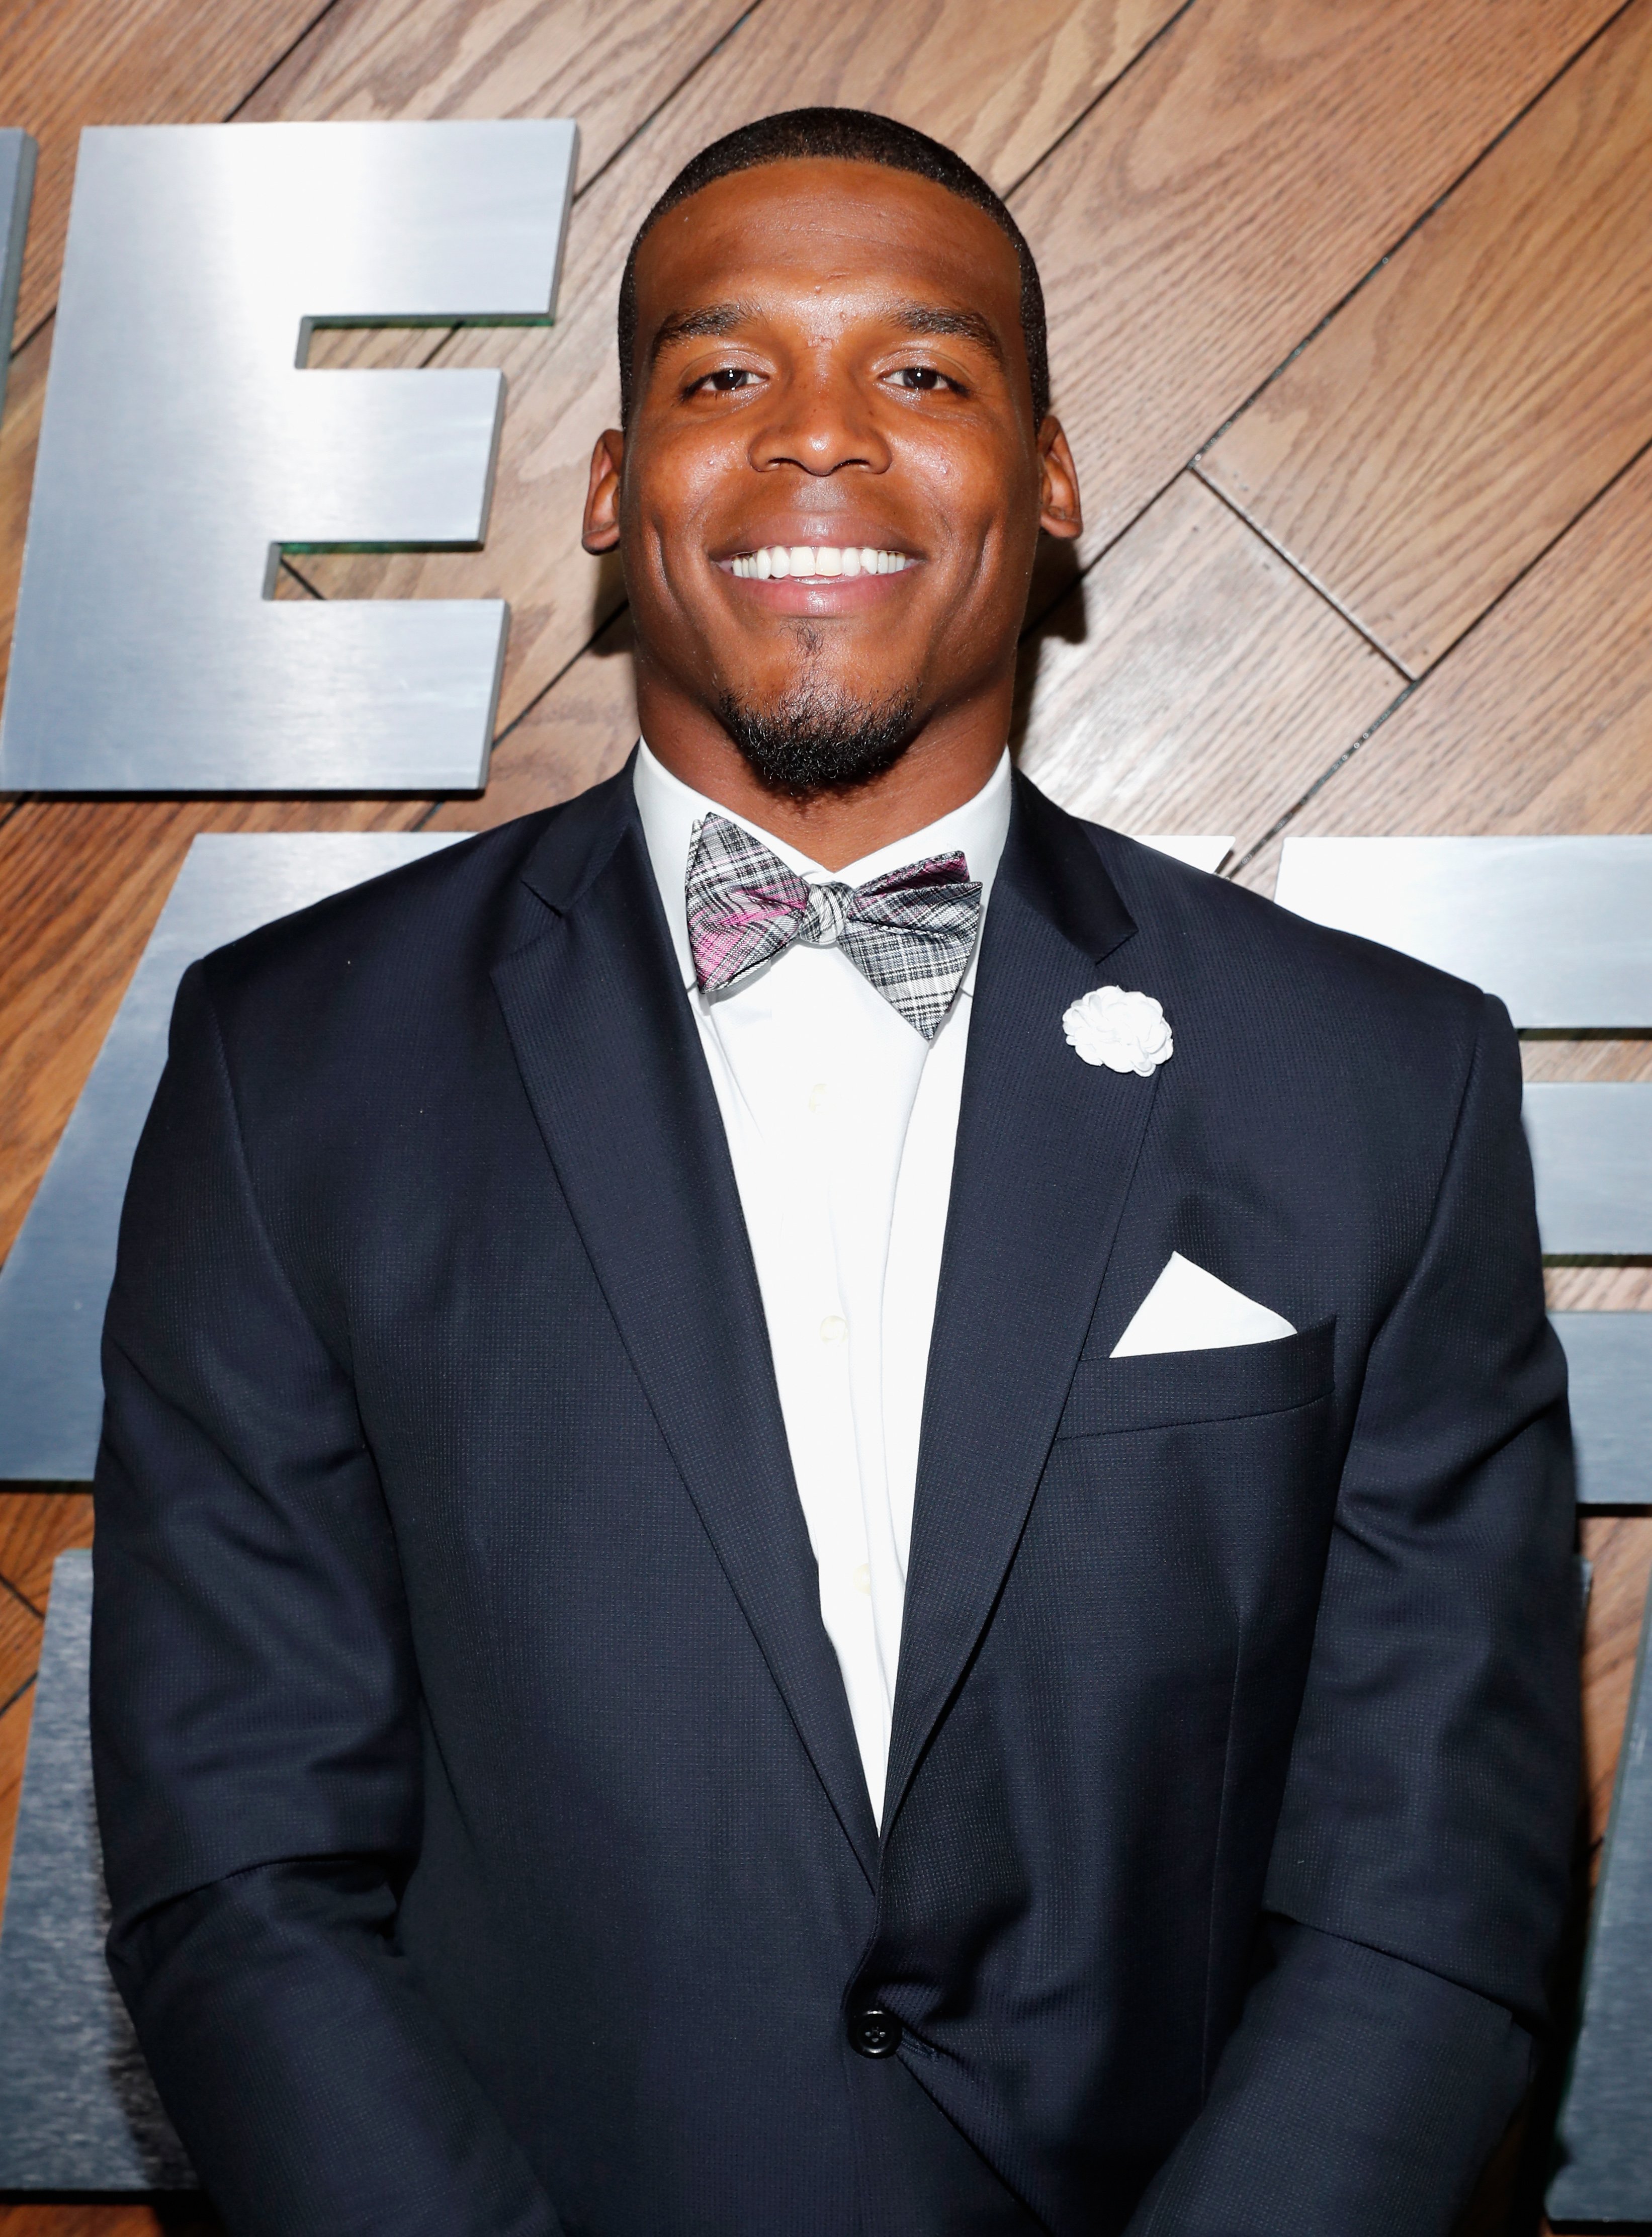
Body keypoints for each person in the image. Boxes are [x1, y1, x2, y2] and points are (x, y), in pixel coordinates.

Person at [91, 107, 1579, 2237]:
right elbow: (242, 1858)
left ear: (1048, 479)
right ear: (614, 489)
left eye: (921, 371)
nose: (816, 439)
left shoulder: (1382, 1078)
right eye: (720, 375)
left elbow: (1435, 1873)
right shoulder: (291, 1060)